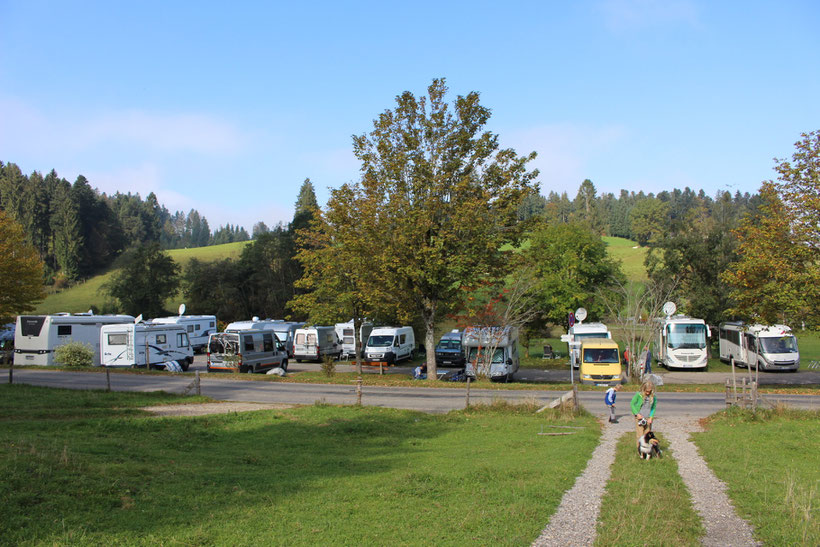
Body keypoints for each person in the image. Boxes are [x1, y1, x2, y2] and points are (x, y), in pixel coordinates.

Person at [630, 380, 657, 444]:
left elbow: (653, 408)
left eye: (649, 392)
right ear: (643, 389)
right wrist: (637, 414)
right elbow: (632, 404)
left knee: (647, 435)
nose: (648, 393)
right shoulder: (638, 395)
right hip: (639, 417)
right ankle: (640, 451)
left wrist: (651, 417)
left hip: (648, 418)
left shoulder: (653, 397)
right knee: (640, 435)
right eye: (646, 391)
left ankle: (647, 451)